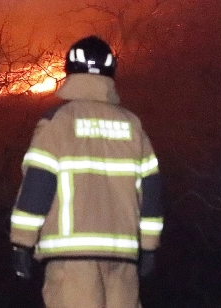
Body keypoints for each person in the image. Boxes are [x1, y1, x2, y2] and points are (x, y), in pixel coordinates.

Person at [9, 35, 163, 308]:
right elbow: (151, 190)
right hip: (123, 261)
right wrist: (149, 247)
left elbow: (37, 185)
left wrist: (21, 243)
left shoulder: (58, 121)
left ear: (70, 70)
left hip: (71, 261)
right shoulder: (132, 125)